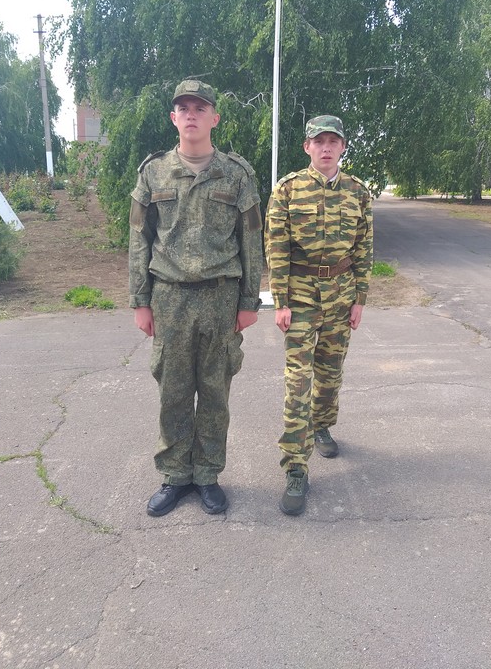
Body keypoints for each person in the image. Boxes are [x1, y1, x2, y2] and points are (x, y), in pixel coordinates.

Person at [129, 78, 263, 517]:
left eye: (199, 108)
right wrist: (140, 300)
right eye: (183, 108)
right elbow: (138, 239)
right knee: (173, 391)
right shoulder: (152, 173)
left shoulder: (237, 174)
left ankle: (207, 474)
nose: (191, 114)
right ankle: (175, 475)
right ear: (173, 118)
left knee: (215, 393)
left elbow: (251, 242)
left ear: (214, 118)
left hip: (221, 298)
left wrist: (249, 302)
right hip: (169, 298)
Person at [265, 114, 373, 516]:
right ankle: (295, 466)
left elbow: (364, 247)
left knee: (330, 372)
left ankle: (321, 424)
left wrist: (360, 298)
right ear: (307, 147)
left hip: (341, 294)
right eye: (319, 141)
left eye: (333, 141)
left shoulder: (358, 192)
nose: (326, 148)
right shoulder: (288, 189)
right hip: (300, 293)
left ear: (342, 146)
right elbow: (276, 246)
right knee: (299, 379)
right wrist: (280, 301)